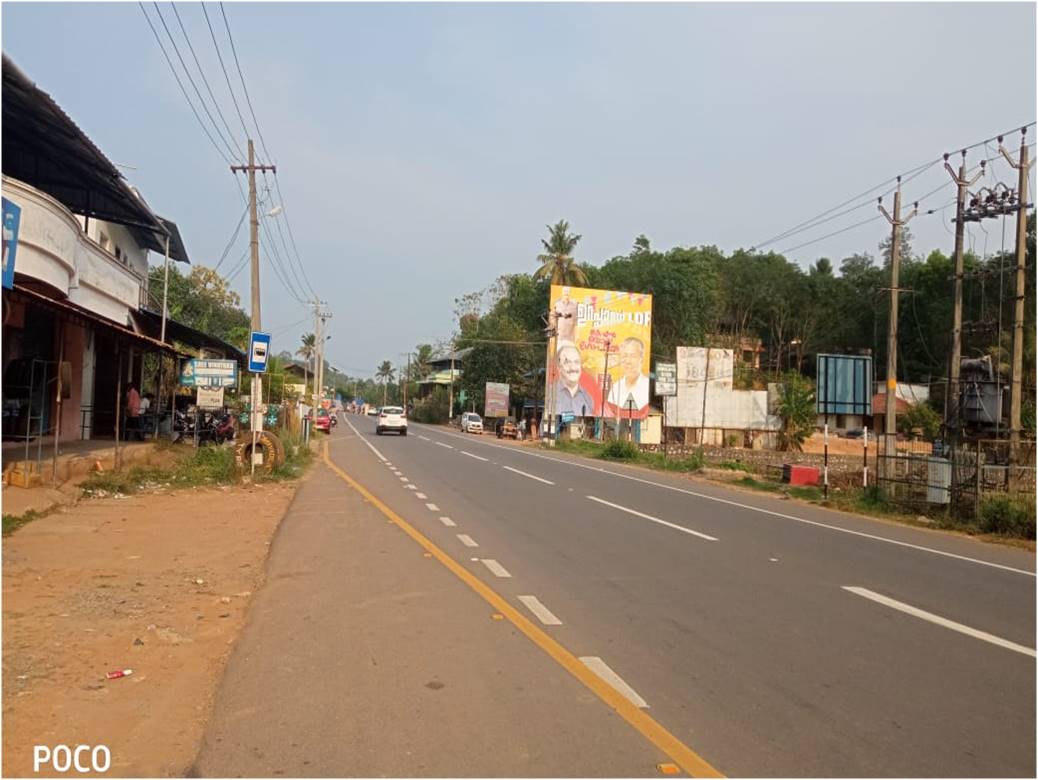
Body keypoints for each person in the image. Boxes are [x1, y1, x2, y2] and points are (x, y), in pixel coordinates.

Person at [606, 336, 650, 414]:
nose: (628, 361)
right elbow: (610, 412)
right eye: (625, 356)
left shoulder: (647, 386)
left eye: (633, 356)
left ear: (641, 359)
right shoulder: (616, 387)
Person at [554, 342, 594, 417]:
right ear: (559, 367)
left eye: (576, 362)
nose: (572, 368)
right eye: (567, 362)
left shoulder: (588, 398)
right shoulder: (551, 394)